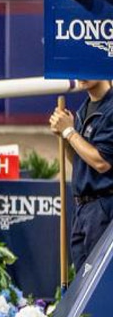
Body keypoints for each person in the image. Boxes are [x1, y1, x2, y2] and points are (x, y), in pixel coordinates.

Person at [51, 80, 113, 270]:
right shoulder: (81, 110)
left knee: (100, 281)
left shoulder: (111, 110)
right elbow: (80, 161)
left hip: (103, 206)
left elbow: (102, 162)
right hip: (82, 209)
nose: (80, 74)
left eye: (85, 65)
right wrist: (65, 137)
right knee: (82, 279)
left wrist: (69, 132)